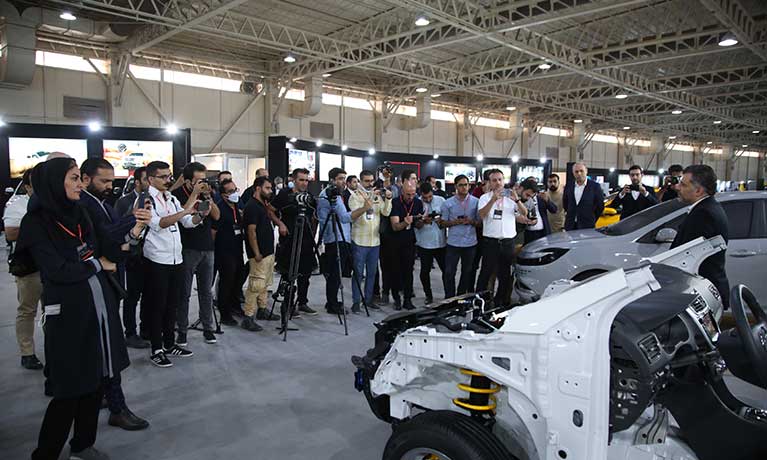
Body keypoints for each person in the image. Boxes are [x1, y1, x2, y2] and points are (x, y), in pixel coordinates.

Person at [17, 158, 148, 460]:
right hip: (69, 314)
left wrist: (134, 231)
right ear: (54, 183)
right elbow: (57, 270)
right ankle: (46, 453)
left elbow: (109, 249)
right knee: (70, 390)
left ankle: (82, 445)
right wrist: (96, 264)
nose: (81, 184)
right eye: (74, 178)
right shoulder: (36, 222)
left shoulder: (80, 213)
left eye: (80, 178)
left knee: (95, 382)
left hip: (99, 307)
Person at [79, 158, 151, 431]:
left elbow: (116, 242)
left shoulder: (101, 204)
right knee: (108, 348)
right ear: (85, 179)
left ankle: (107, 397)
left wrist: (133, 229)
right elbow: (107, 240)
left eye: (112, 181)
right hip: (94, 283)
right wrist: (132, 221)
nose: (110, 186)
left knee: (105, 348)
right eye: (104, 181)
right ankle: (116, 406)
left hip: (109, 279)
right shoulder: (83, 205)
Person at [142, 161, 206, 368]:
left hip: (176, 258)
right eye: (163, 177)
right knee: (157, 306)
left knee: (173, 304)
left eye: (169, 176)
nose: (168, 180)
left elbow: (187, 222)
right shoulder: (146, 200)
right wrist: (186, 211)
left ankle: (169, 344)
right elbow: (159, 223)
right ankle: (156, 348)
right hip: (157, 259)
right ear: (151, 179)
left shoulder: (171, 198)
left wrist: (199, 215)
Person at [172, 162, 221, 346]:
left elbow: (217, 216)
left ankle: (208, 328)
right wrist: (194, 194)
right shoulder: (177, 195)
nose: (203, 183)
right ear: (188, 181)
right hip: (187, 248)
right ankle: (182, 330)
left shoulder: (206, 193)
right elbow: (182, 215)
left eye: (204, 179)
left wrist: (208, 197)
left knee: (206, 291)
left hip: (207, 248)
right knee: (183, 292)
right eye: (199, 180)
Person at [671, 165, 729, 307]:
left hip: (702, 294)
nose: (678, 187)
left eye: (683, 184)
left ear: (698, 190)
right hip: (707, 289)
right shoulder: (708, 207)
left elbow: (687, 256)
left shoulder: (703, 214)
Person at [475, 169, 533, 307]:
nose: (498, 183)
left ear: (504, 180)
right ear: (489, 182)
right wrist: (493, 200)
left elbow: (524, 212)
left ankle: (499, 302)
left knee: (505, 274)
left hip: (508, 242)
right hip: (491, 242)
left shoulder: (511, 197)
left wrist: (517, 200)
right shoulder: (484, 198)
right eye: (494, 180)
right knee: (485, 273)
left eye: (500, 179)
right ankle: (479, 302)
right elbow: (482, 215)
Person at [4, 169, 44, 370]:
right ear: (27, 187)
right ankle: (27, 352)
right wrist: (41, 228)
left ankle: (54, 345)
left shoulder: (55, 204)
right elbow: (11, 233)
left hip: (52, 265)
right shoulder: (17, 204)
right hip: (29, 266)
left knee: (52, 309)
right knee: (27, 309)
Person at [271, 168, 318, 316]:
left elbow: (314, 217)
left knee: (306, 273)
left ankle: (302, 302)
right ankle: (288, 304)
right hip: (289, 239)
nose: (304, 183)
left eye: (306, 180)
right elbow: (270, 210)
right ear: (294, 180)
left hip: (306, 240)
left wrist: (313, 232)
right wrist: (280, 224)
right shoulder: (284, 195)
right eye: (301, 180)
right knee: (288, 273)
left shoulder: (309, 197)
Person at [241, 176, 281, 331]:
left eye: (271, 188)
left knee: (265, 283)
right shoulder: (252, 206)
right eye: (267, 188)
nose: (270, 191)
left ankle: (262, 309)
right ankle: (248, 316)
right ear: (258, 188)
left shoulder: (262, 204)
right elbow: (251, 232)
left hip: (268, 251)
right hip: (259, 254)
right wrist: (256, 252)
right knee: (256, 285)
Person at [115, 167, 149, 346]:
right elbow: (118, 227)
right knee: (132, 296)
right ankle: (130, 333)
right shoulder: (124, 202)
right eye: (146, 179)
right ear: (137, 182)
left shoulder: (154, 200)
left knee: (148, 295)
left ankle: (146, 329)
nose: (150, 183)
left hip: (150, 254)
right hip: (131, 256)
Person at [349, 170, 392, 313]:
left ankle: (368, 300)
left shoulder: (377, 196)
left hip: (375, 241)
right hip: (359, 241)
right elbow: (354, 215)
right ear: (360, 181)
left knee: (372, 273)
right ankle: (356, 302)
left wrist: (388, 199)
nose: (370, 183)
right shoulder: (355, 196)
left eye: (371, 181)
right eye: (366, 181)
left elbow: (386, 212)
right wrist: (367, 203)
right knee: (358, 274)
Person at [318, 168, 356, 314]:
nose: (343, 182)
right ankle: (332, 304)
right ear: (332, 180)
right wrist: (363, 209)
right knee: (334, 274)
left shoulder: (332, 194)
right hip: (336, 238)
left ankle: (332, 301)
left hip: (337, 237)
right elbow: (345, 218)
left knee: (335, 274)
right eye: (340, 179)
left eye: (344, 178)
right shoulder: (329, 196)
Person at [212, 179, 249, 326]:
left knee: (237, 279)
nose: (234, 193)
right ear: (223, 195)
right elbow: (213, 232)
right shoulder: (220, 208)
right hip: (224, 251)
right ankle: (225, 313)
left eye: (235, 190)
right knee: (226, 282)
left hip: (237, 249)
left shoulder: (236, 206)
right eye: (230, 191)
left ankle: (234, 305)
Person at [440, 174, 479, 299]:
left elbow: (480, 223)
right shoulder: (448, 203)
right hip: (453, 243)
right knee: (449, 272)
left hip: (470, 243)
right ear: (456, 186)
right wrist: (454, 222)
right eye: (461, 185)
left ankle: (460, 297)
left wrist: (471, 221)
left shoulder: (476, 202)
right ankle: (449, 298)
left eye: (466, 185)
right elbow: (442, 223)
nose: (464, 187)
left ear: (469, 186)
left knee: (467, 272)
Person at [389, 183, 424, 310]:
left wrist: (422, 221)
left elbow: (418, 225)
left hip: (409, 241)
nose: (410, 197)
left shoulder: (418, 203)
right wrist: (406, 222)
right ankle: (396, 299)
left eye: (413, 194)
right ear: (402, 192)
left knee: (409, 271)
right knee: (395, 271)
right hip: (394, 241)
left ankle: (407, 299)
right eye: (408, 194)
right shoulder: (395, 202)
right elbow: (395, 226)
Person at [414, 182, 446, 304]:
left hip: (440, 242)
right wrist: (423, 221)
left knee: (446, 271)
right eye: (425, 197)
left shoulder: (441, 200)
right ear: (420, 194)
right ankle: (428, 295)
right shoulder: (416, 203)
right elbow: (415, 225)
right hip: (424, 243)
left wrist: (440, 219)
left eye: (430, 197)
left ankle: (448, 294)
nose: (428, 199)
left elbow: (446, 218)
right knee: (424, 271)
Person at [563, 162, 604, 230]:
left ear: (586, 171)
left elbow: (600, 206)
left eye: (581, 171)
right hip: (570, 225)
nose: (579, 173)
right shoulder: (568, 186)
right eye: (576, 172)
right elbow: (565, 203)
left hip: (587, 225)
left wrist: (592, 218)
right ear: (573, 173)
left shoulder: (595, 187)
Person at [519, 179, 558, 243]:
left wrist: (547, 201)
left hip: (543, 232)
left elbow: (554, 210)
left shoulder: (541, 197)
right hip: (527, 232)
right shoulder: (521, 199)